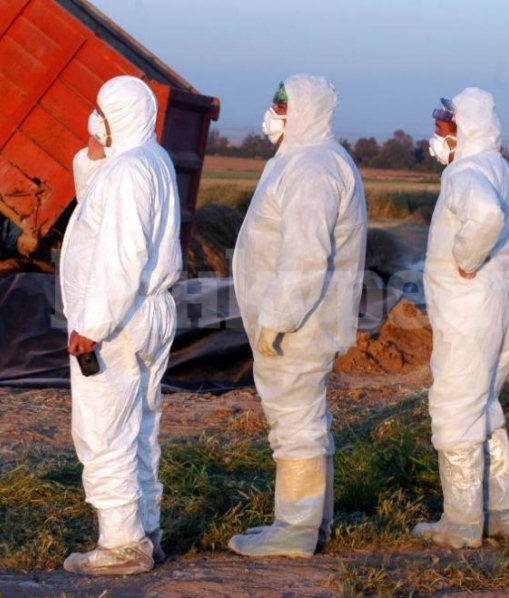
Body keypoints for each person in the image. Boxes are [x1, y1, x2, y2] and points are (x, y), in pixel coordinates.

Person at [228, 74, 367, 558]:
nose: (275, 110)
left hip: (299, 323)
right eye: (275, 100)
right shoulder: (302, 160)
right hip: (299, 319)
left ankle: (295, 528)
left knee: (295, 420)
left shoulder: (312, 168)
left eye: (285, 103)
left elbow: (305, 255)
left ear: (306, 110)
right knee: (305, 416)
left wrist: (278, 317)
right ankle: (311, 524)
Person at [414, 88, 509, 548]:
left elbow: (488, 215)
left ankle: (460, 522)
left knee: (455, 405)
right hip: (499, 295)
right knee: (483, 404)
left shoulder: (465, 172)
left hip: (469, 300)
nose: (436, 137)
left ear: (463, 129)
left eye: (442, 128)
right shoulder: (503, 169)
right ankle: (505, 512)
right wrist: (506, 256)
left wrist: (469, 258)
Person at [60, 75, 181, 576]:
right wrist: (95, 145)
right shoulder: (149, 159)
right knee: (139, 427)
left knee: (105, 428)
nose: (97, 120)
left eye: (102, 112)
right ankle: (145, 530)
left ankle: (120, 546)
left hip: (119, 319)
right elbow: (95, 202)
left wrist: (92, 323)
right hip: (146, 314)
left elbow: (121, 255)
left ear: (121, 116)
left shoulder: (131, 170)